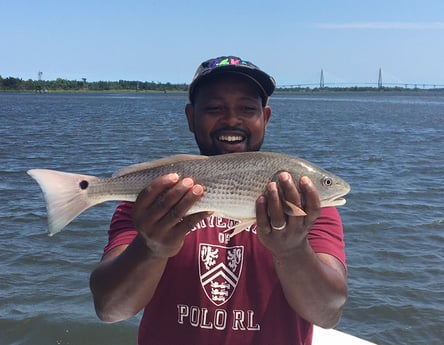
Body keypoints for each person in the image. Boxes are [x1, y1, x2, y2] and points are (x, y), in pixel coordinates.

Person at [90, 56, 348, 345]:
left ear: (266, 117)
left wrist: (292, 250)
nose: (231, 119)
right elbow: (110, 309)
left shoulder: (305, 206)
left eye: (247, 108)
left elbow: (328, 313)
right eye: (214, 108)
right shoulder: (155, 199)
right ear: (191, 117)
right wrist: (150, 247)